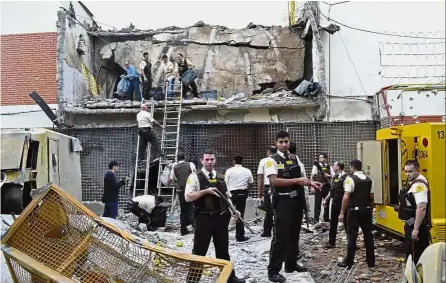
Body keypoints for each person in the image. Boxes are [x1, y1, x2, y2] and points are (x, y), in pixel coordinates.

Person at [265, 131, 321, 282]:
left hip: (297, 200)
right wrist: (297, 181)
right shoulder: (271, 160)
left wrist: (311, 183)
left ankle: (291, 264)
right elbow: (274, 182)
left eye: (286, 141)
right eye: (281, 142)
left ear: (290, 142)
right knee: (280, 236)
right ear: (276, 143)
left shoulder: (295, 158)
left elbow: (302, 177)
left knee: (294, 234)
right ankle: (273, 270)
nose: (284, 144)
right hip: (282, 201)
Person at [185, 150, 245, 283]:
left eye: (212, 159)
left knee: (223, 250)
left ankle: (230, 278)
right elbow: (188, 197)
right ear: (201, 160)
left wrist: (234, 210)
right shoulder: (195, 177)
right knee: (199, 251)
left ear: (215, 160)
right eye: (207, 159)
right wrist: (205, 191)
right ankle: (192, 280)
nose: (209, 162)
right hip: (203, 218)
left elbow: (226, 196)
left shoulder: (220, 177)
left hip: (221, 218)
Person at [338, 159, 375, 269]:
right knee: (368, 235)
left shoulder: (350, 179)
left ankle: (349, 263)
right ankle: (371, 262)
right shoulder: (369, 179)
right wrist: (371, 211)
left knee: (352, 236)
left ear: (352, 168)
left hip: (354, 211)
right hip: (366, 210)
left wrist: (342, 212)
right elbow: (372, 198)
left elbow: (346, 197)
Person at [398, 160, 431, 263]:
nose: (407, 174)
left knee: (413, 255)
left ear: (418, 170)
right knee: (416, 253)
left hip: (415, 224)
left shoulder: (419, 186)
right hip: (414, 222)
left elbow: (421, 208)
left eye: (410, 171)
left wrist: (415, 229)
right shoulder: (416, 181)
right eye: (406, 171)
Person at [225, 155, 254, 242]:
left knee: (227, 214)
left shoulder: (229, 171)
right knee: (240, 214)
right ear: (242, 161)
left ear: (234, 161)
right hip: (242, 193)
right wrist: (246, 190)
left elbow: (225, 183)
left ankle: (224, 235)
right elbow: (251, 183)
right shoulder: (247, 171)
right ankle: (240, 236)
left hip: (231, 194)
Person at [168, 152, 197, 235]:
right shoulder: (191, 164)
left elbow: (171, 179)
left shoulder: (174, 167)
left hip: (181, 189)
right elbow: (194, 175)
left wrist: (167, 183)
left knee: (183, 210)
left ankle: (183, 230)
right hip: (190, 188)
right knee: (191, 207)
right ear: (185, 158)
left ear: (177, 159)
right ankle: (194, 227)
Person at [323, 161, 348, 249]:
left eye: (334, 165)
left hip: (343, 202)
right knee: (333, 222)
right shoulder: (335, 176)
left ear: (338, 167)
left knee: (347, 223)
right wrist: (326, 199)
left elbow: (347, 192)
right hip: (335, 202)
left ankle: (351, 242)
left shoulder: (346, 178)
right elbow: (332, 190)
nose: (333, 166)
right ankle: (331, 242)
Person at [257, 146, 277, 237]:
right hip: (278, 187)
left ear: (268, 152)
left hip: (268, 187)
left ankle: (267, 232)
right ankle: (278, 231)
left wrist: (259, 191)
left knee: (268, 211)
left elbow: (260, 176)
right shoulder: (278, 159)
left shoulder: (264, 161)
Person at [311, 153, 335, 223]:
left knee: (326, 202)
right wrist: (312, 186)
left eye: (321, 157)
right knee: (317, 203)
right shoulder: (316, 166)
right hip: (318, 186)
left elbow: (333, 176)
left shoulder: (329, 167)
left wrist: (329, 175)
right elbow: (312, 176)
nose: (320, 159)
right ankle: (316, 219)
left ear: (325, 159)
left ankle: (326, 218)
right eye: (319, 158)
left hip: (327, 186)